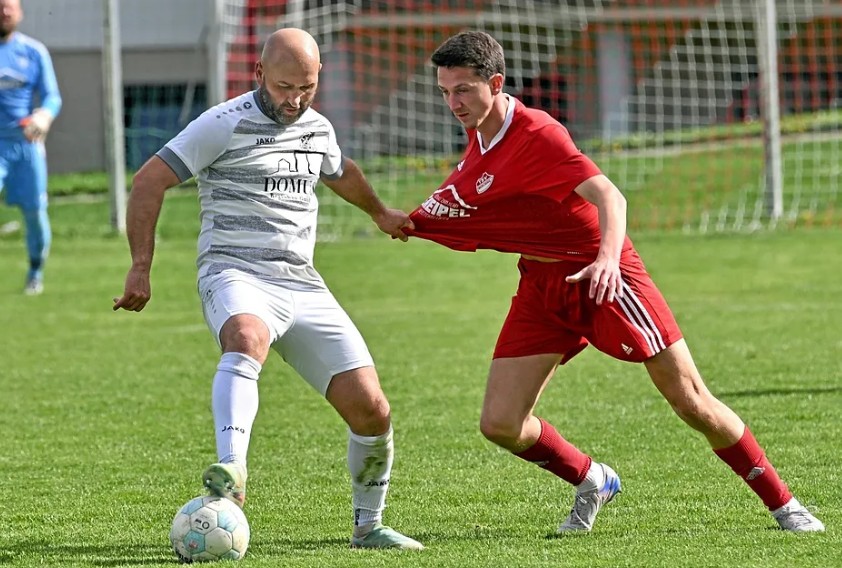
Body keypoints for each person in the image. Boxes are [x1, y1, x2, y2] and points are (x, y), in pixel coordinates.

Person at [405, 30, 824, 534]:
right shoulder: (480, 136)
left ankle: (784, 504)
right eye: (445, 92)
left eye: (463, 90)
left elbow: (610, 196)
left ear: (495, 83)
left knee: (690, 399)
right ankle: (592, 479)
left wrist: (606, 259)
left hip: (605, 276)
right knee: (501, 424)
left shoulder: (537, 133)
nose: (453, 103)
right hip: (543, 284)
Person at [113, 28, 423, 550]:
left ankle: (368, 527)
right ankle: (231, 470)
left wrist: (379, 212)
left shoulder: (317, 127)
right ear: (258, 74)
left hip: (301, 281)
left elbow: (339, 170)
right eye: (284, 87)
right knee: (246, 336)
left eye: (306, 88)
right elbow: (148, 180)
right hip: (233, 272)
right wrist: (140, 266)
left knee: (373, 409)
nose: (294, 100)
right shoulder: (222, 124)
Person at [0, 0, 62, 295]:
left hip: (26, 145)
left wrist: (44, 115)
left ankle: (35, 271)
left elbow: (52, 97)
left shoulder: (34, 52)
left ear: (20, 12)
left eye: (9, 6)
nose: (4, 11)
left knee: (35, 211)